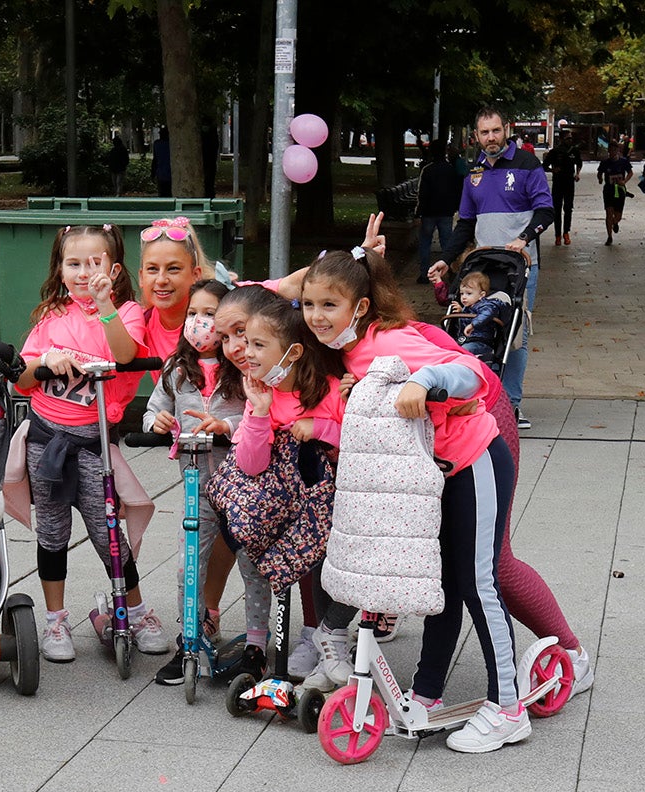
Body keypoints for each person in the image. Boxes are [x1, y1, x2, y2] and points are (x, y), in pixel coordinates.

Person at [307, 248, 525, 753]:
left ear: (359, 308)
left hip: (475, 463)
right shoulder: (348, 354)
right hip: (432, 478)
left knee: (477, 581)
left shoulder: (392, 339)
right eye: (309, 304)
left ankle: (509, 708)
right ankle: (426, 694)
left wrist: (425, 380)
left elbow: (472, 373)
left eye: (329, 305)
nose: (316, 316)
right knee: (440, 584)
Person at [13, 224, 172, 661]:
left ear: (115, 269)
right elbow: (21, 380)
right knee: (52, 531)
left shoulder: (127, 312)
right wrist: (43, 360)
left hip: (94, 444)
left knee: (108, 535)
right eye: (74, 263)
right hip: (46, 441)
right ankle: (55, 620)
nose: (84, 272)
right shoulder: (51, 317)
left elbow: (123, 356)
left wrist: (104, 307)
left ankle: (135, 611)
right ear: (60, 270)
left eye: (95, 262)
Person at [208, 284, 347, 687]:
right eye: (242, 342)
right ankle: (311, 641)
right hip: (282, 504)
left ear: (293, 352)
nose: (245, 353)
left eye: (257, 344)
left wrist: (319, 427)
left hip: (326, 502)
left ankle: (327, 635)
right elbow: (251, 464)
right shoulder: (261, 394)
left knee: (325, 570)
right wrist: (259, 415)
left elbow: (354, 436)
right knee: (301, 564)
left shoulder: (330, 390)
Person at [142, 279, 245, 685]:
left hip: (241, 483)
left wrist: (228, 425)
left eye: (209, 314)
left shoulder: (242, 365)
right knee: (190, 563)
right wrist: (158, 421)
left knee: (251, 564)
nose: (199, 322)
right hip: (194, 485)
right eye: (192, 314)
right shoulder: (177, 368)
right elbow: (154, 410)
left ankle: (256, 640)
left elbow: (260, 415)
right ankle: (190, 636)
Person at [428, 106, 553, 431]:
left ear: (506, 129)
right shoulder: (474, 173)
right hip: (483, 267)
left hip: (521, 265)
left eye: (496, 131)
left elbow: (545, 211)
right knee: (477, 327)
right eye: (485, 133)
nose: (491, 138)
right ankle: (480, 396)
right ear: (477, 136)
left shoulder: (527, 165)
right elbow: (466, 222)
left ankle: (510, 404)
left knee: (515, 336)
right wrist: (446, 257)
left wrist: (523, 239)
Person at [138, 216, 205, 366]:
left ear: (196, 275)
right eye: (153, 269)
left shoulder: (218, 317)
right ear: (141, 277)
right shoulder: (141, 321)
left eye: (173, 269)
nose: (161, 280)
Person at [414, 139, 460, 282]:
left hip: (428, 212)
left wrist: (418, 212)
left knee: (425, 243)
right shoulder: (451, 170)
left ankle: (424, 274)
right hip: (446, 211)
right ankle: (451, 271)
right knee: (447, 243)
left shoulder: (427, 170)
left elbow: (422, 193)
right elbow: (456, 191)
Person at [446, 270, 505, 359]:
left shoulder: (487, 305)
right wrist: (461, 312)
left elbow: (486, 314)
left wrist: (473, 325)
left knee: (463, 350)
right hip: (466, 340)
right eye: (462, 293)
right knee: (451, 349)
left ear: (481, 295)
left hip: (481, 342)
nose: (464, 297)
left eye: (469, 293)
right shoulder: (467, 308)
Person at [542, 133, 582, 245]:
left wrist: (578, 174)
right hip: (558, 183)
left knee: (568, 208)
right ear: (561, 139)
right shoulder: (555, 152)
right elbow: (544, 166)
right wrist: (552, 170)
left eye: (571, 138)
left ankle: (566, 232)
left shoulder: (574, 151)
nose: (570, 140)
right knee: (557, 210)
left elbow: (579, 163)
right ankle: (557, 235)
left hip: (569, 182)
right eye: (567, 138)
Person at [597, 142, 633, 245]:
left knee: (618, 215)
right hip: (608, 190)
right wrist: (600, 179)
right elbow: (599, 173)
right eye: (610, 150)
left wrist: (624, 181)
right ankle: (609, 237)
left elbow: (630, 173)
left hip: (620, 190)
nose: (612, 153)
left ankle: (615, 222)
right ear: (608, 151)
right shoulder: (605, 162)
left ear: (618, 151)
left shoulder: (623, 162)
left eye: (614, 150)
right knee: (609, 213)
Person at [151, 127, 172, 197]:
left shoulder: (157, 144)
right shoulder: (171, 144)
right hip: (168, 173)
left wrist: (153, 173)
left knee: (162, 194)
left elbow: (155, 160)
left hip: (161, 174)